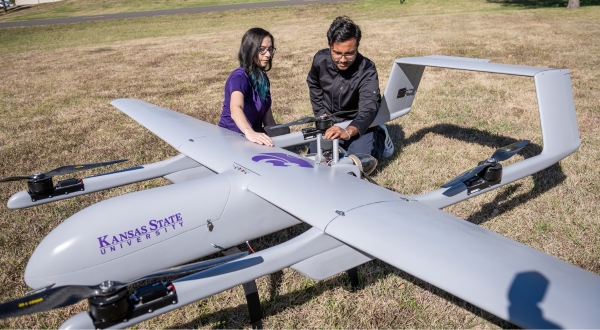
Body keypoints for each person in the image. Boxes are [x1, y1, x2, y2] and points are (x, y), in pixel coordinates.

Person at [307, 16, 394, 160]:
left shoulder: (367, 69)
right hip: (330, 120)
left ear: (357, 47)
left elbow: (369, 108)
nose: (342, 60)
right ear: (330, 45)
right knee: (317, 157)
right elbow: (313, 84)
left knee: (360, 160)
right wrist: (321, 114)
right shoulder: (320, 59)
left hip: (357, 121)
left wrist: (348, 131)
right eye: (337, 53)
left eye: (349, 54)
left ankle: (381, 137)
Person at [218, 28, 279, 146]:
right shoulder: (239, 77)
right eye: (262, 50)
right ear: (250, 50)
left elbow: (267, 115)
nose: (268, 55)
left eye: (270, 50)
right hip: (232, 137)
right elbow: (236, 108)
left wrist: (280, 135)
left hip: (253, 138)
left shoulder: (262, 78)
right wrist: (249, 132)